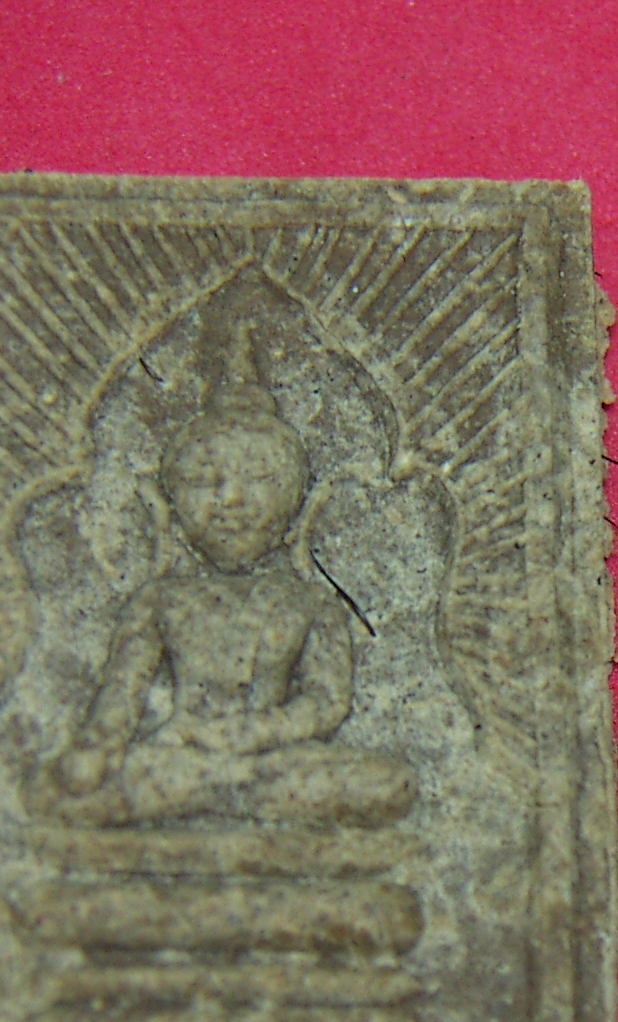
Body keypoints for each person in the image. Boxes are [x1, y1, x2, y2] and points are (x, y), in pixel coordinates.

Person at [48, 330, 413, 830]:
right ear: (170, 508)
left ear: (297, 505)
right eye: (203, 482)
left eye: (258, 479)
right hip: (180, 754)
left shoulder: (312, 602)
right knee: (63, 784)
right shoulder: (159, 600)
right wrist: (98, 746)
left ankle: (214, 794)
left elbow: (327, 703)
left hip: (271, 759)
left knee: (389, 783)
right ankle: (225, 795)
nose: (232, 501)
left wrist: (256, 733)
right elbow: (118, 702)